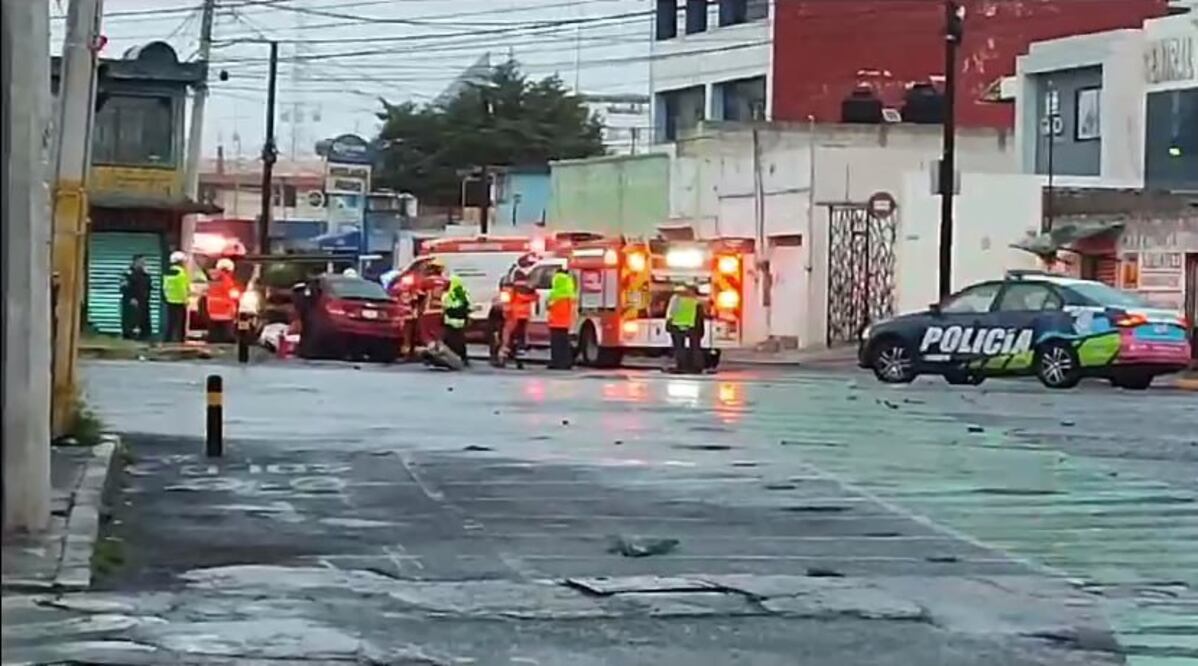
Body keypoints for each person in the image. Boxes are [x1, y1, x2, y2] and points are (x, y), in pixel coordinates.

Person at [498, 277, 535, 368]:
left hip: (513, 316)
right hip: (524, 316)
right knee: (520, 338)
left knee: (507, 337)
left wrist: (505, 313)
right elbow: (534, 298)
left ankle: (503, 357)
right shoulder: (528, 288)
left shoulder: (510, 289)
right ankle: (519, 358)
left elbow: (505, 303)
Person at [666, 283, 702, 373]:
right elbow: (699, 314)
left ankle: (681, 366)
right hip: (691, 325)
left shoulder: (676, 298)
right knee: (695, 347)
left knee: (679, 347)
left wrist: (668, 322)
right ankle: (696, 367)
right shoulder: (696, 300)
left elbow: (671, 311)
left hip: (677, 324)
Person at [546, 268, 577, 370]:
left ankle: (557, 362)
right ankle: (567, 362)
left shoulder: (554, 294)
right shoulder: (570, 293)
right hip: (565, 322)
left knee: (556, 345)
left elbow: (549, 307)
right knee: (564, 344)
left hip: (555, 322)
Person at [120, 255, 153, 340]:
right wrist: (131, 298)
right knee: (131, 320)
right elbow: (124, 287)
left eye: (144, 262)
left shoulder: (145, 274)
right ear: (135, 262)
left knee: (143, 320)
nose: (144, 263)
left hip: (143, 301)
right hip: (131, 301)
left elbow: (148, 286)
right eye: (141, 261)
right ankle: (130, 336)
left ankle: (143, 336)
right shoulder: (128, 273)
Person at [206, 257, 239, 343]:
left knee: (214, 336)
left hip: (212, 312)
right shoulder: (228, 281)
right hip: (225, 312)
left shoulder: (213, 280)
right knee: (226, 337)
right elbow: (234, 295)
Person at [441, 273, 471, 366]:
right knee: (460, 340)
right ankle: (463, 358)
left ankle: (448, 358)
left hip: (449, 320)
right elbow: (469, 305)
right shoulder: (464, 292)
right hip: (461, 321)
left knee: (449, 340)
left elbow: (444, 306)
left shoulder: (447, 294)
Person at [162, 251, 191, 343]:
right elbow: (183, 288)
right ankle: (180, 341)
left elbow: (165, 287)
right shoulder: (181, 273)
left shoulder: (167, 273)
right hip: (180, 301)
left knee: (171, 323)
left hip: (170, 301)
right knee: (180, 323)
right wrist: (185, 299)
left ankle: (167, 340)